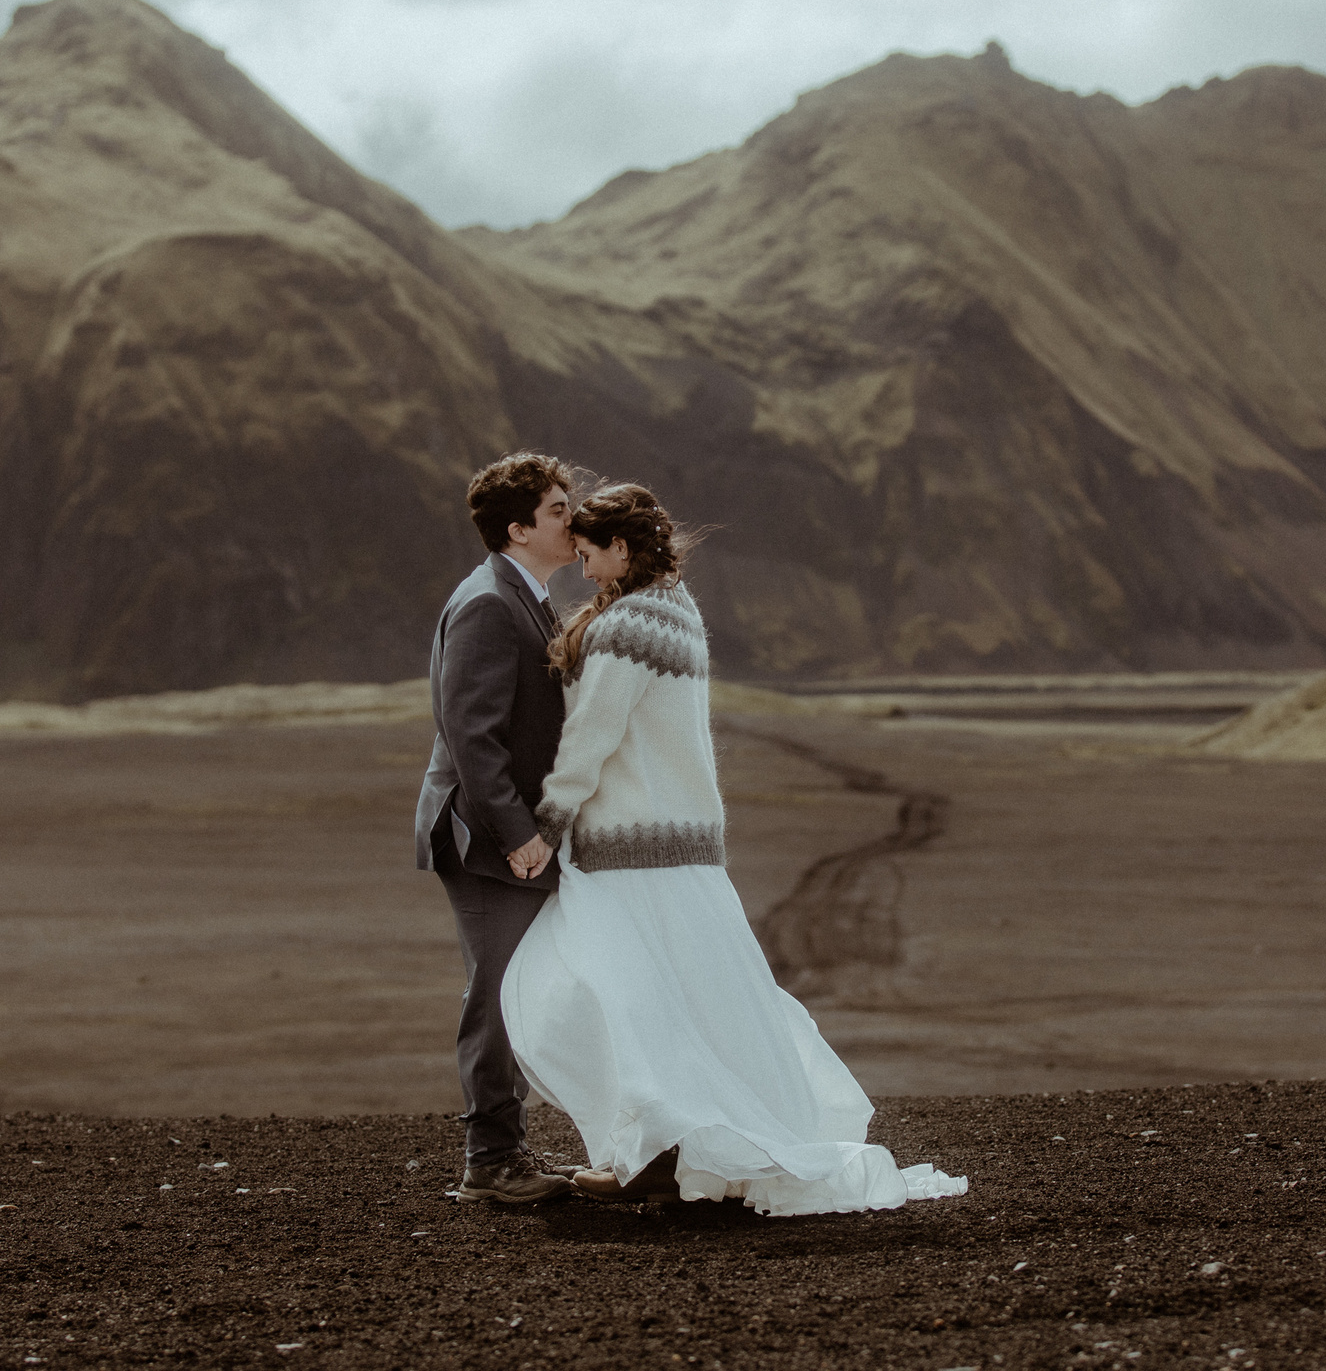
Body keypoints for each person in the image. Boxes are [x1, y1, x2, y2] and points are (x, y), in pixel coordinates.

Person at [501, 483, 968, 1216]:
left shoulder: (626, 626)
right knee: (689, 1001)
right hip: (685, 850)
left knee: (559, 989)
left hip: (627, 848)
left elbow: (594, 735)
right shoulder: (680, 609)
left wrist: (550, 823)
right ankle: (665, 1155)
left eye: (591, 556)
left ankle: (654, 1151)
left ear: (622, 548)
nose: (585, 572)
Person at [414, 452, 581, 1204]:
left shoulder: (526, 593)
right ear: (517, 528)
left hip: (503, 833)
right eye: (556, 509)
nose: (572, 518)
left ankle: (505, 1148)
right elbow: (472, 735)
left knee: (517, 986)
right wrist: (519, 835)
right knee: (499, 989)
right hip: (484, 838)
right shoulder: (488, 603)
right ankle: (491, 1160)